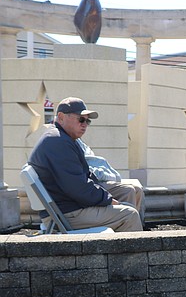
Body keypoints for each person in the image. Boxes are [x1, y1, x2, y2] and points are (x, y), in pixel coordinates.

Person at [27, 97, 142, 232]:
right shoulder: (58, 142)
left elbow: (83, 179)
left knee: (128, 191)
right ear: (61, 117)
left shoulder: (64, 138)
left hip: (71, 203)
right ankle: (130, 247)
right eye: (81, 119)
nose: (85, 124)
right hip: (66, 212)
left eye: (87, 120)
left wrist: (106, 197)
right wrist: (109, 201)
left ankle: (121, 239)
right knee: (129, 215)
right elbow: (78, 188)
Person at [77, 138, 145, 220]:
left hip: (94, 180)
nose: (84, 125)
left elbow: (90, 158)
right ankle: (125, 224)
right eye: (81, 123)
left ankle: (135, 225)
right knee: (128, 190)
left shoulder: (77, 140)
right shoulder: (63, 141)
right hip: (88, 185)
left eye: (87, 123)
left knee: (137, 190)